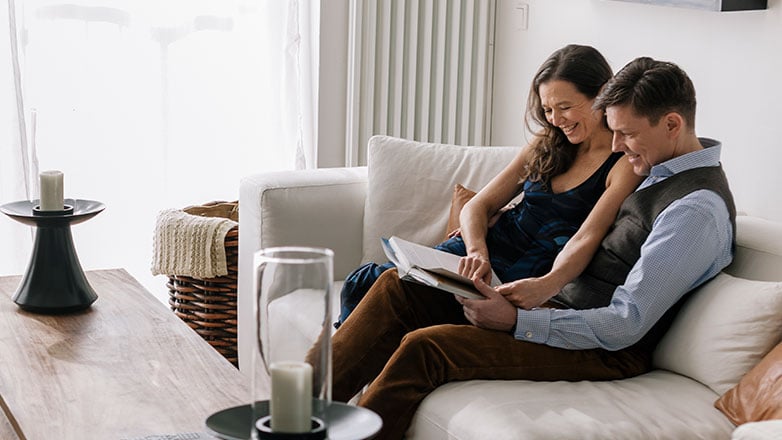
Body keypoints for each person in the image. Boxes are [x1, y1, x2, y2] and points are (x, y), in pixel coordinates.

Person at [328, 56, 736, 439]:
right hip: (556, 307)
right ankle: (297, 416)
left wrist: (517, 321)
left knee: (427, 347)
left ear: (671, 124)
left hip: (605, 348)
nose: (616, 147)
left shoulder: (694, 210)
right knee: (396, 288)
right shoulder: (655, 166)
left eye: (626, 134)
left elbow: (625, 324)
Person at [336, 44, 642, 326]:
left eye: (565, 107)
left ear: (602, 94)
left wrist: (546, 285)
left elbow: (586, 238)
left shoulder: (623, 164)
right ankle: (337, 367)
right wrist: (478, 252)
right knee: (365, 281)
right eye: (548, 110)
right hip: (474, 261)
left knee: (397, 299)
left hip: (522, 277)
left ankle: (335, 369)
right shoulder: (546, 143)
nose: (555, 120)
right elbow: (477, 206)